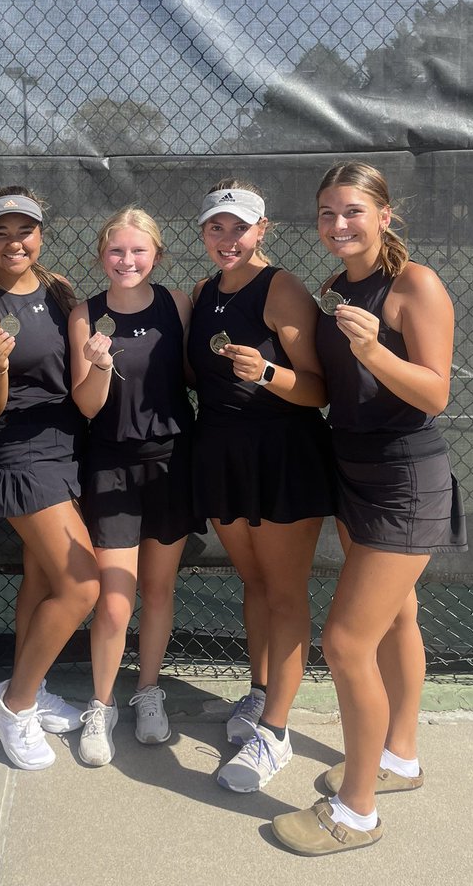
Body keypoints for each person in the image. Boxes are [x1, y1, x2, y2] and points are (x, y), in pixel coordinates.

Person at [273, 162, 466, 856]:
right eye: (326, 213)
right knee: (395, 621)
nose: (338, 225)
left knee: (346, 643)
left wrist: (371, 347)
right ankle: (400, 759)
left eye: (352, 210)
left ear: (385, 214)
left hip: (404, 477)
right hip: (350, 469)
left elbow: (434, 393)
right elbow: (329, 389)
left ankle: (355, 813)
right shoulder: (334, 288)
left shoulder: (415, 285)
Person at [188, 180, 337, 793]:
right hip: (222, 451)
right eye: (216, 228)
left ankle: (274, 732)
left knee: (283, 592)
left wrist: (269, 371)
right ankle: (259, 692)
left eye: (240, 228)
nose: (228, 239)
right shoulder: (200, 292)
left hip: (282, 454)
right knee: (253, 583)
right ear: (203, 232)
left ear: (263, 230)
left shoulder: (282, 287)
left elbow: (318, 389)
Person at [0, 187, 99, 770]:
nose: (15, 242)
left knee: (42, 585)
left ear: (41, 234)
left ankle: (30, 692)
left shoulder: (59, 291)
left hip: (70, 449)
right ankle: (12, 705)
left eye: (25, 231)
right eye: (1, 233)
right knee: (83, 584)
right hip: (21, 454)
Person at [68, 208, 200, 766]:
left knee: (159, 591)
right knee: (114, 602)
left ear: (157, 257)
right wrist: (98, 365)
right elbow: (87, 404)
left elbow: (194, 377)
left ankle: (148, 692)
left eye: (138, 251)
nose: (127, 261)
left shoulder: (177, 304)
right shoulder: (85, 315)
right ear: (102, 256)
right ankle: (101, 706)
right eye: (117, 251)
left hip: (172, 463)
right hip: (111, 467)